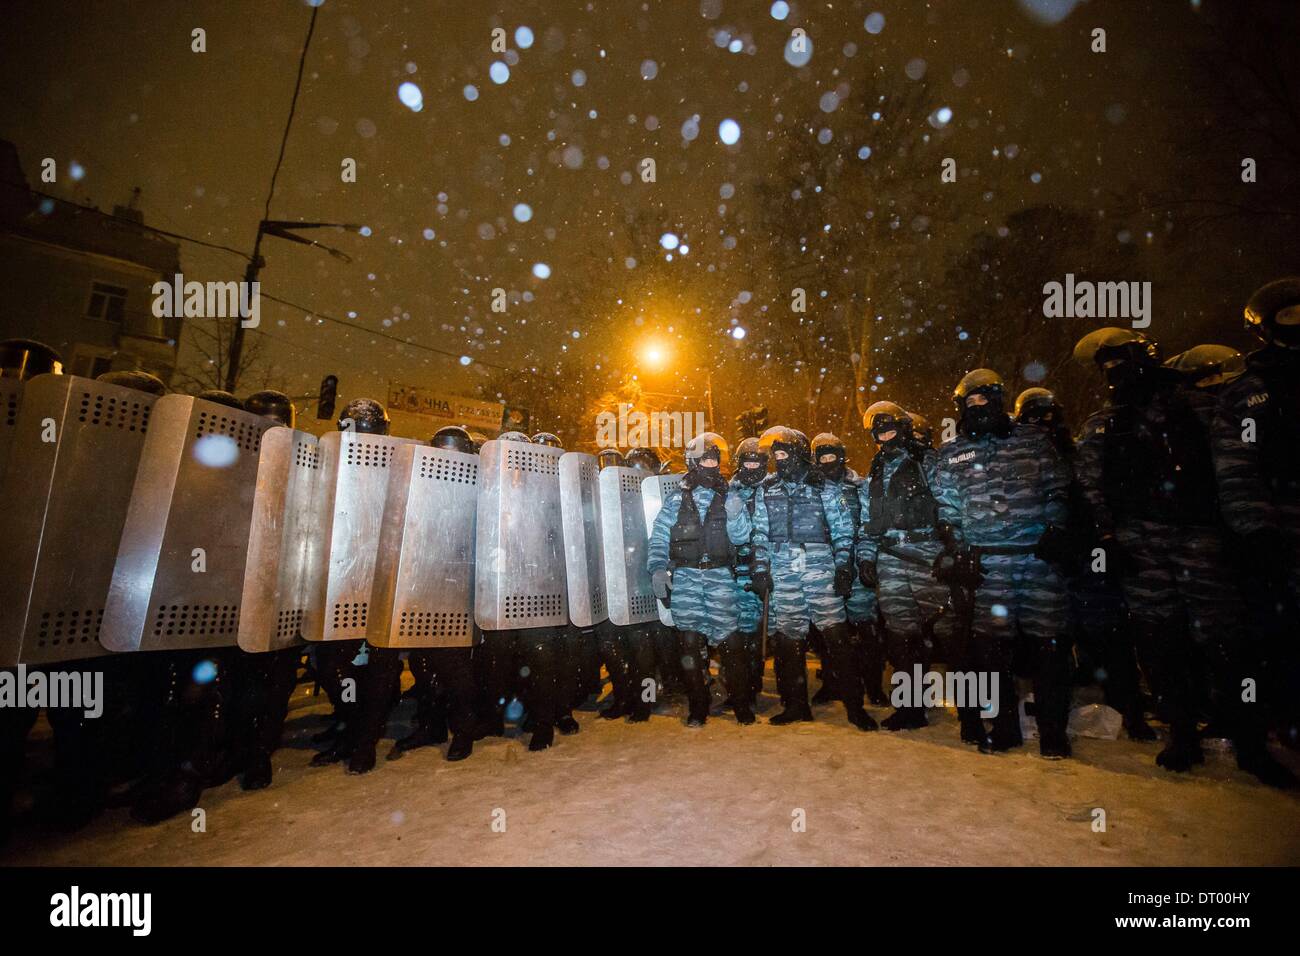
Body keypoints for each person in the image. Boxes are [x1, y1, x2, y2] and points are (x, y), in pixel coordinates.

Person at [1072, 329, 1287, 784]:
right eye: (1106, 367)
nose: (1115, 375)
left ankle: (1250, 740)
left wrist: (1247, 528)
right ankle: (1182, 733)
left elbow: (1236, 467)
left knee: (1227, 643)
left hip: (1201, 539)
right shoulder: (1105, 423)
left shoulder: (1202, 407)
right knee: (1159, 641)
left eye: (1121, 362)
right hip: (1140, 546)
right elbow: (1090, 485)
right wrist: (1107, 536)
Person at [933, 370, 1072, 757]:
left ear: (997, 400)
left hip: (1037, 561)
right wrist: (959, 549)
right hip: (989, 566)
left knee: (1049, 648)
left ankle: (1053, 733)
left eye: (983, 400)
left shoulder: (1034, 442)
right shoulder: (953, 453)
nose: (977, 409)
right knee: (992, 652)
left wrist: (1057, 529)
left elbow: (1059, 487)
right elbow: (947, 509)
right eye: (969, 403)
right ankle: (1006, 726)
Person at [1014, 387, 1154, 742]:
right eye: (1033, 419)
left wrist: (1104, 540)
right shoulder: (1021, 460)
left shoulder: (1076, 453)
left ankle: (1130, 709)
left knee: (1107, 636)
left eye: (1046, 419)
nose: (1041, 426)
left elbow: (1095, 497)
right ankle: (1055, 712)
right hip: (1045, 560)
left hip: (1086, 556)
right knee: (1053, 643)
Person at [1210, 277, 1300, 781]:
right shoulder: (1249, 394)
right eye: (1288, 316)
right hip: (1273, 534)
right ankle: (1254, 739)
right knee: (1262, 643)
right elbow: (1236, 464)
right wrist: (1256, 530)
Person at [744, 427, 873, 729]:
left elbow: (843, 531)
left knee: (836, 636)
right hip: (782, 567)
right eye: (775, 456)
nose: (779, 460)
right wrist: (760, 567)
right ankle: (796, 705)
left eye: (783, 453)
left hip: (819, 565)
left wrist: (844, 567)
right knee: (789, 641)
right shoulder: (767, 488)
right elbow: (759, 532)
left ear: (798, 452)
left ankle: (855, 707)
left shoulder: (824, 486)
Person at [384, 425, 479, 764]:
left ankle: (463, 732)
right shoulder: (422, 483)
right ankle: (431, 726)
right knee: (423, 668)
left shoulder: (479, 485)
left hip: (459, 595)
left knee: (457, 676)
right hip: (424, 590)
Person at [646, 432, 751, 726]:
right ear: (692, 462)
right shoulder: (677, 498)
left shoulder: (729, 495)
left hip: (719, 577)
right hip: (687, 578)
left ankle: (742, 705)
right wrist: (656, 568)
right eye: (705, 459)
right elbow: (659, 537)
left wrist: (735, 515)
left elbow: (742, 539)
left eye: (714, 459)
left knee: (731, 643)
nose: (710, 464)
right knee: (689, 644)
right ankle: (698, 706)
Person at [857, 402, 947, 730]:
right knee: (901, 638)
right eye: (878, 432)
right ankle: (911, 708)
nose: (884, 436)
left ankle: (974, 711)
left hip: (928, 555)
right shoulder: (878, 468)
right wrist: (866, 556)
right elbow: (870, 521)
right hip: (891, 560)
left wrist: (955, 550)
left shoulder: (928, 461)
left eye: (890, 428)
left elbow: (951, 507)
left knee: (949, 635)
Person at [811, 432, 886, 706]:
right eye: (822, 458)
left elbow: (869, 527)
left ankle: (874, 686)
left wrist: (865, 560)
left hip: (856, 566)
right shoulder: (812, 489)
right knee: (830, 631)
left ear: (842, 457)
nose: (827, 463)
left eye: (832, 457)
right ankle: (833, 683)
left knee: (866, 629)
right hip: (823, 568)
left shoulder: (859, 486)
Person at [727, 437, 770, 710]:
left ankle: (755, 683)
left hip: (766, 567)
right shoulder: (729, 489)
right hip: (736, 571)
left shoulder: (773, 487)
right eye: (747, 461)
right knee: (739, 632)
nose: (751, 466)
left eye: (757, 461)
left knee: (762, 632)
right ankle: (741, 687)